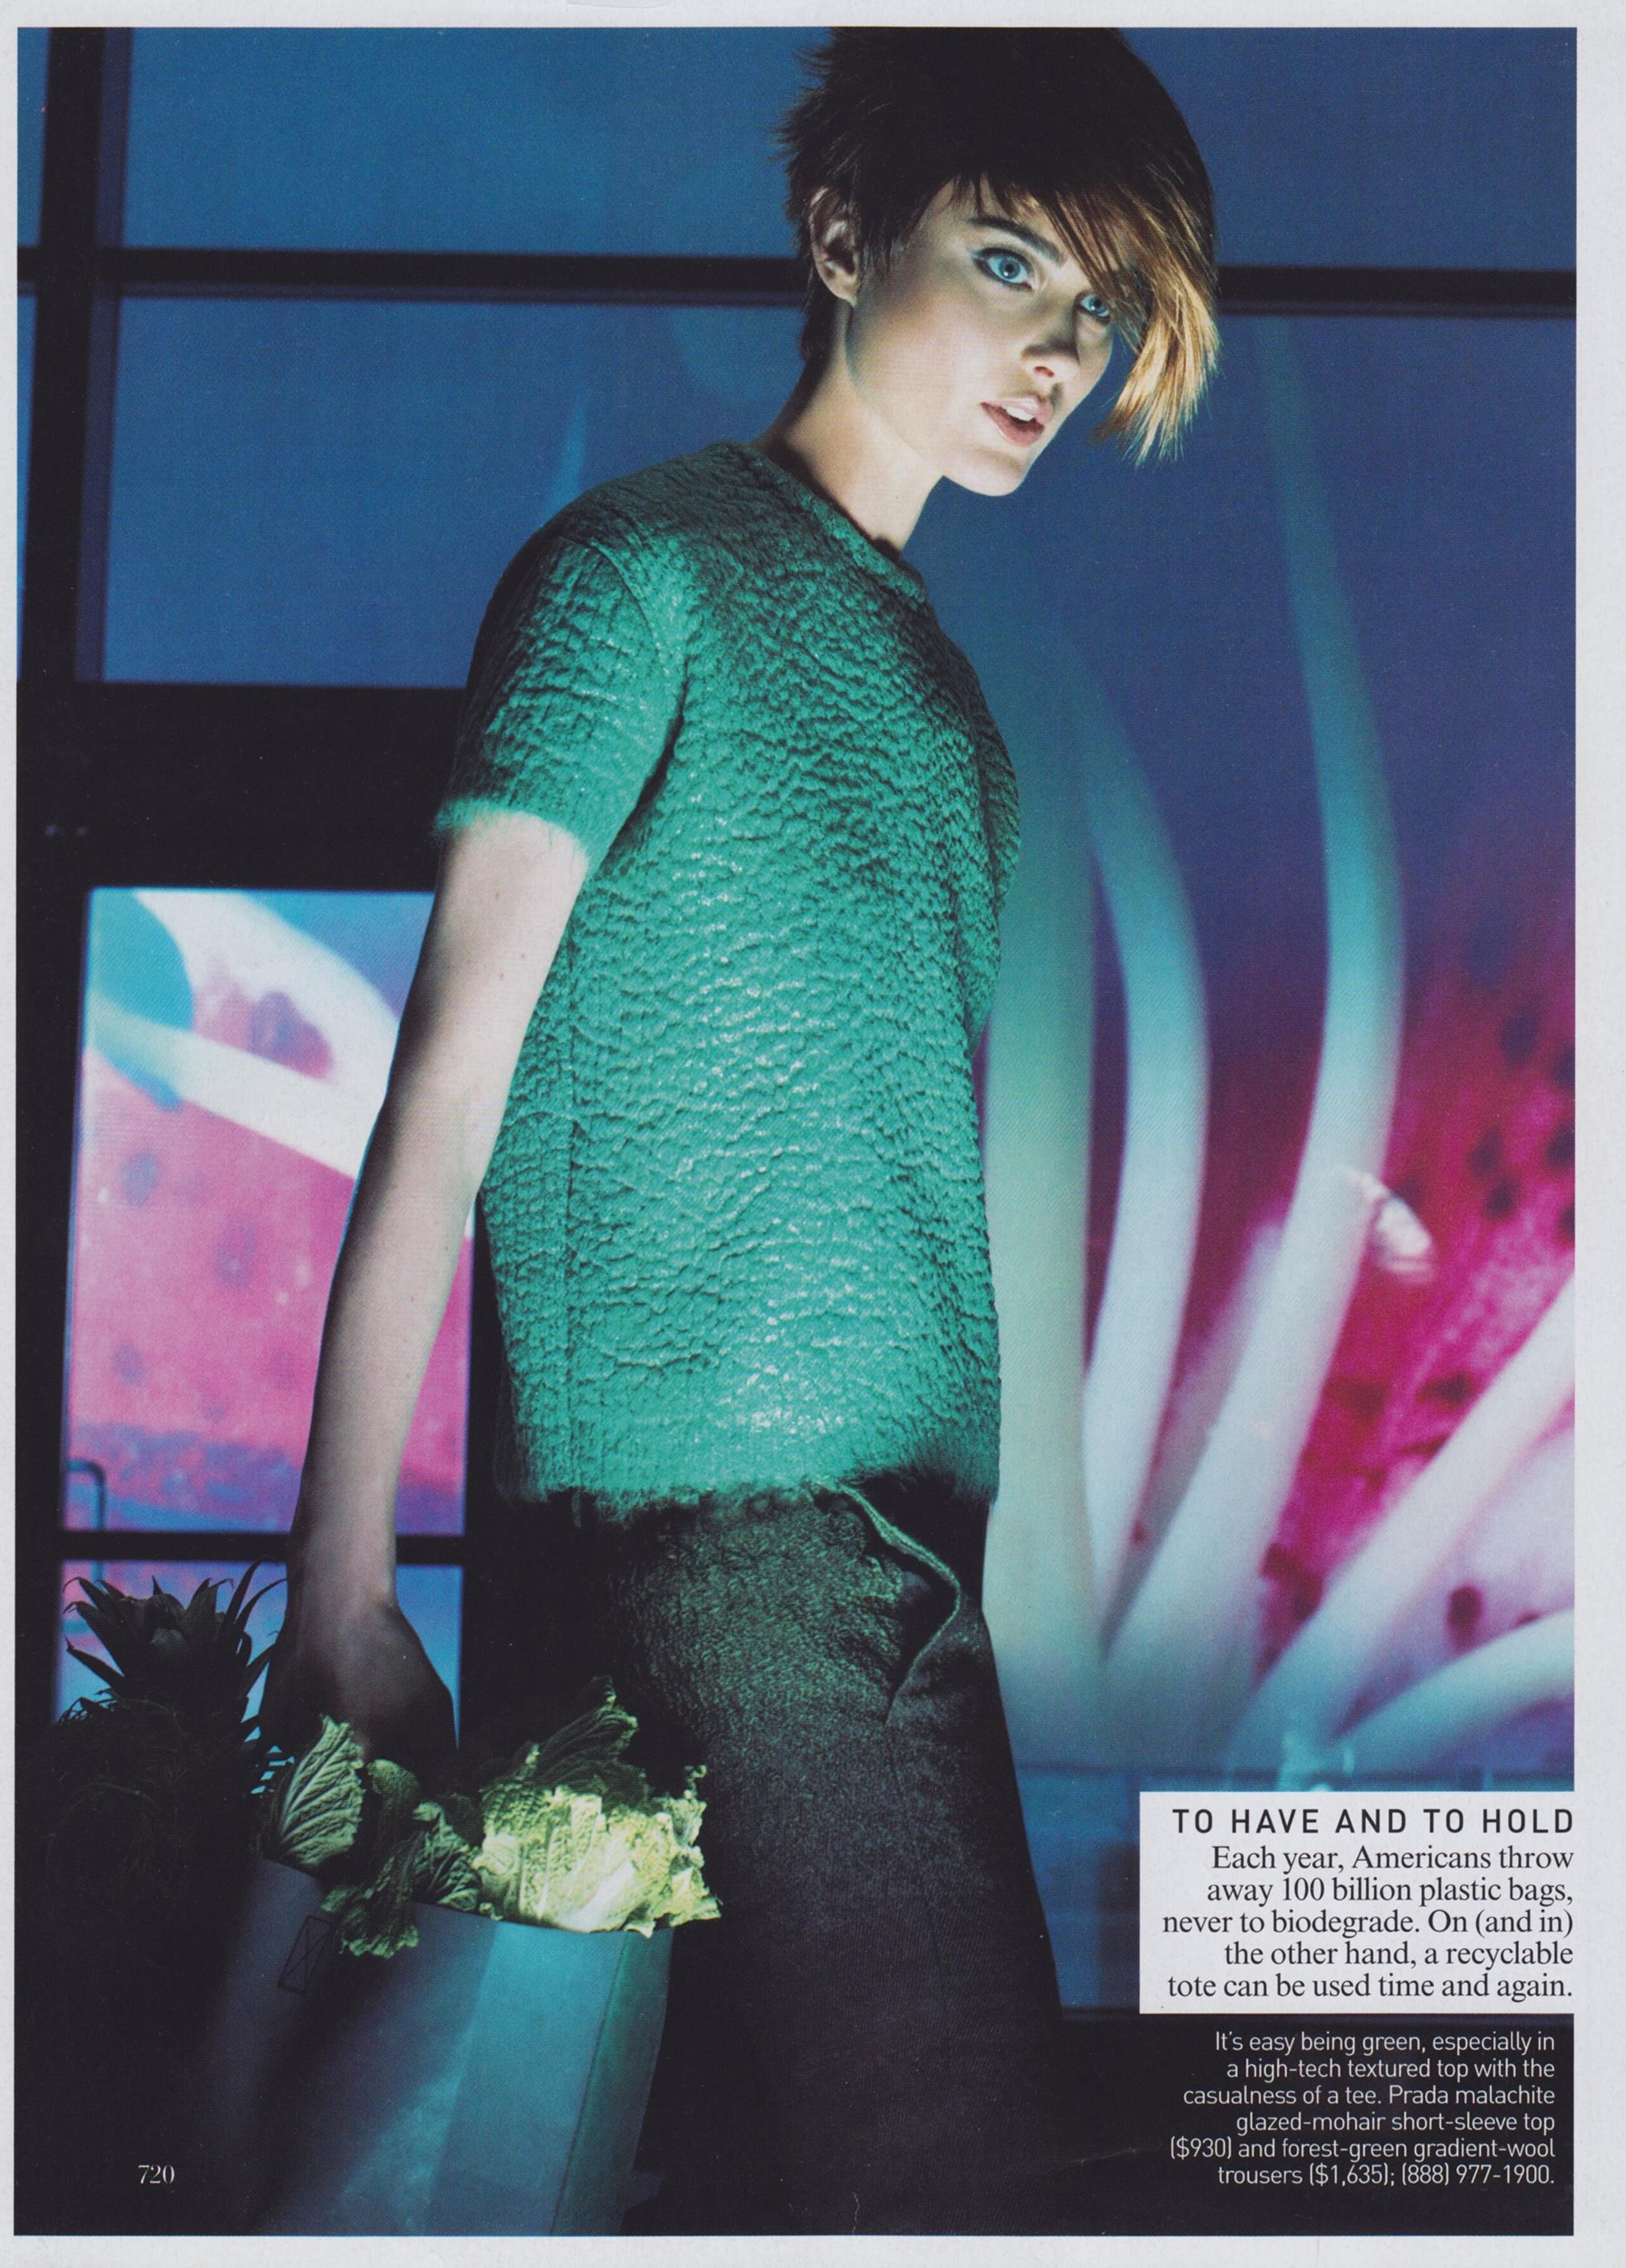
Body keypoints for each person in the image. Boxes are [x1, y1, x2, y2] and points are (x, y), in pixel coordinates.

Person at [261, 26, 1217, 2235]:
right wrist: (340, 1580)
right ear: (842, 233)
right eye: (1010, 262)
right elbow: (445, 1091)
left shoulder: (955, 715)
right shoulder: (637, 579)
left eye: (1096, 307)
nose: (1056, 351)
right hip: (714, 1540)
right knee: (952, 2189)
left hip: (900, 1562)